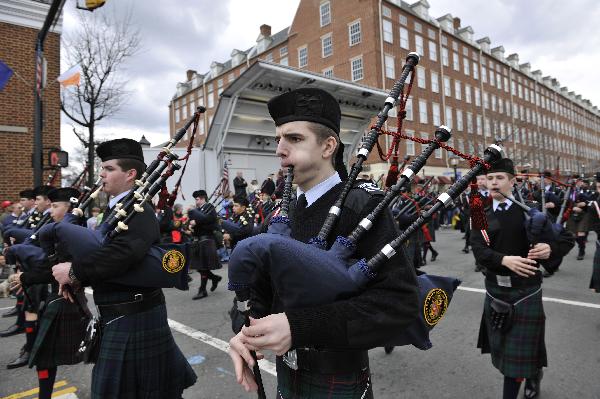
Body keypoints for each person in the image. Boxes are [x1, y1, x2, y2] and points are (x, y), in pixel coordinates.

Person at [228, 87, 419, 398]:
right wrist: (244, 331)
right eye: (278, 138)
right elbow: (258, 289)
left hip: (337, 378)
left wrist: (299, 326)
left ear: (328, 146)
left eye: (294, 138)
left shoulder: (362, 205)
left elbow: (399, 303)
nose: (279, 148)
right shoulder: (284, 212)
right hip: (287, 375)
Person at [51, 138, 196, 398]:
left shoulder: (138, 211)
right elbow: (103, 252)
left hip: (134, 317)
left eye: (108, 168)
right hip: (120, 316)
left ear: (130, 174)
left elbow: (122, 254)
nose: (101, 174)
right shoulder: (116, 210)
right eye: (102, 168)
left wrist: (75, 272)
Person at [470, 158, 558, 399]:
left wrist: (549, 249)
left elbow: (563, 240)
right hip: (495, 289)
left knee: (518, 356)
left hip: (525, 290)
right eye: (490, 178)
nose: (494, 182)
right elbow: (478, 249)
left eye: (500, 178)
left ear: (512, 181)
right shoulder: (481, 213)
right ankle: (533, 373)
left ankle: (530, 377)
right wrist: (504, 260)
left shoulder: (530, 210)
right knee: (507, 350)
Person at [10, 187, 90, 399]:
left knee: (47, 357)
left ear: (71, 208)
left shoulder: (73, 233)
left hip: (66, 301)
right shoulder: (59, 229)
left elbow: (52, 269)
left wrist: (26, 277)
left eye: (56, 206)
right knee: (50, 357)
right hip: (60, 299)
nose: (51, 210)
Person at [188, 190, 222, 300]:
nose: (196, 201)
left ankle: (202, 290)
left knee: (203, 267)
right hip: (199, 241)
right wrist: (191, 226)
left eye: (197, 199)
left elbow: (208, 220)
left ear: (203, 199)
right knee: (199, 266)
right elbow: (197, 220)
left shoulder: (209, 207)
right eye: (196, 199)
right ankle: (215, 278)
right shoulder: (199, 210)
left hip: (207, 239)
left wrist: (195, 222)